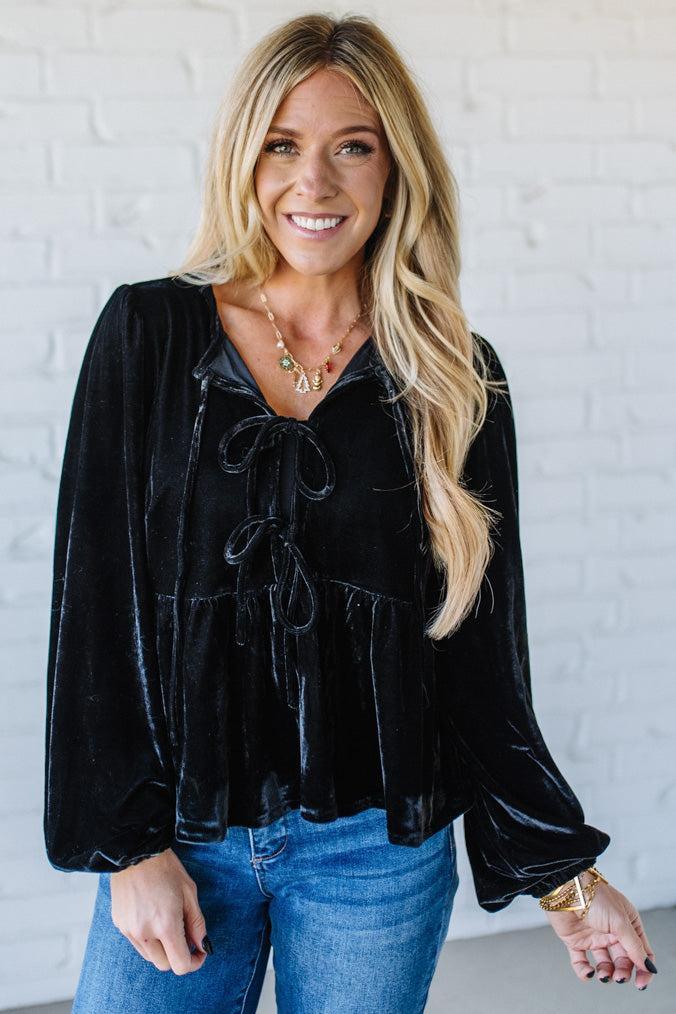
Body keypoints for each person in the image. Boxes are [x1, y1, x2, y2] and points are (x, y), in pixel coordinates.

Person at [43, 12, 658, 1013]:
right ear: (245, 157)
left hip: (379, 855)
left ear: (394, 166)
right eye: (282, 146)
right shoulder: (149, 335)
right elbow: (96, 609)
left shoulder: (453, 377)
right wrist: (129, 849)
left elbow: (477, 660)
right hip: (184, 842)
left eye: (351, 148)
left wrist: (564, 877)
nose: (312, 184)